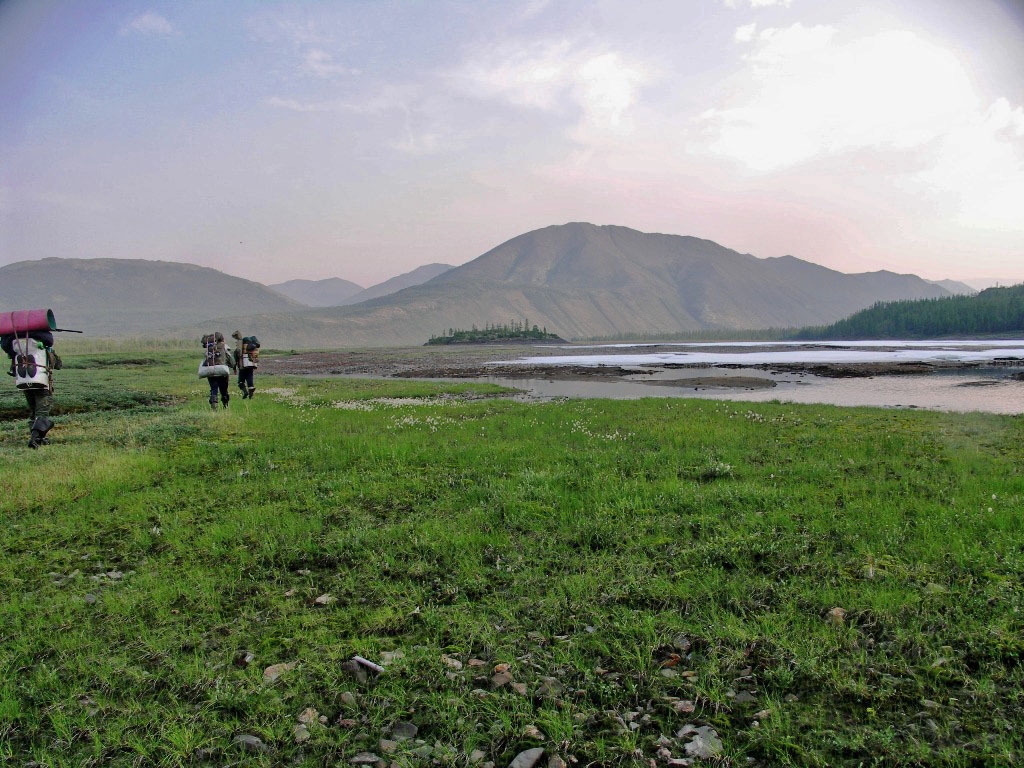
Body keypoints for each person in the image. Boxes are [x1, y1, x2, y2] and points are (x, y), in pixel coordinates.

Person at [2, 329, 61, 448]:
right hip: (41, 384)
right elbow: (58, 364)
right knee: (42, 412)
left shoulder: (17, 348)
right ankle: (35, 439)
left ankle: (39, 438)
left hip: (25, 383)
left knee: (33, 411)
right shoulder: (43, 348)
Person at [200, 332, 235, 409]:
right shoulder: (224, 347)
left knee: (213, 388)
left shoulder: (209, 348)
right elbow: (231, 361)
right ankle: (225, 405)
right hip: (222, 372)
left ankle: (214, 403)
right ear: (222, 339)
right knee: (224, 390)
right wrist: (233, 366)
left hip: (211, 371)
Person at [231, 330, 259, 399]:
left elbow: (235, 357)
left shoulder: (240, 349)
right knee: (250, 377)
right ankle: (251, 393)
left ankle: (245, 392)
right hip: (251, 365)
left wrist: (234, 367)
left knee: (240, 381)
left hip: (242, 366)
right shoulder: (253, 348)